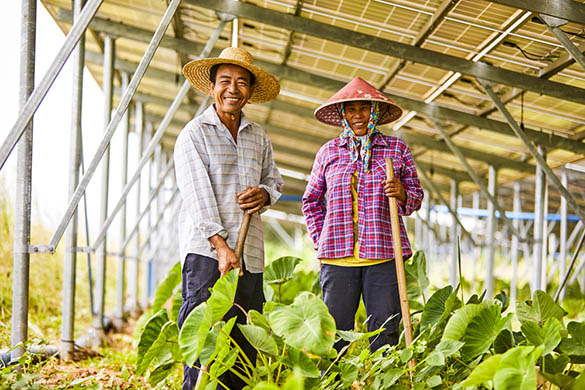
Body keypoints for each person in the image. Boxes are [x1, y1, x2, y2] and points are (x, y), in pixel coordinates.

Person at [174, 47, 284, 390]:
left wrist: (264, 194)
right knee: (205, 343)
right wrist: (220, 245)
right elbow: (198, 195)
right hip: (209, 256)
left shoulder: (258, 136)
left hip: (249, 255)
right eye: (225, 81)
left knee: (241, 347)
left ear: (250, 91)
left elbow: (275, 180)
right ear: (211, 87)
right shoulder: (194, 134)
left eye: (241, 82)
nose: (232, 89)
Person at [302, 77, 423, 353]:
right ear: (343, 114)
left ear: (376, 112)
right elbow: (311, 201)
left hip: (383, 255)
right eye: (351, 109)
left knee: (385, 329)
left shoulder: (396, 149)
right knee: (335, 332)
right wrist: (322, 241)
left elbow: (415, 197)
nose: (358, 115)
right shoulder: (329, 152)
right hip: (337, 257)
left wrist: (402, 193)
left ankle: (381, 382)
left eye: (365, 108)